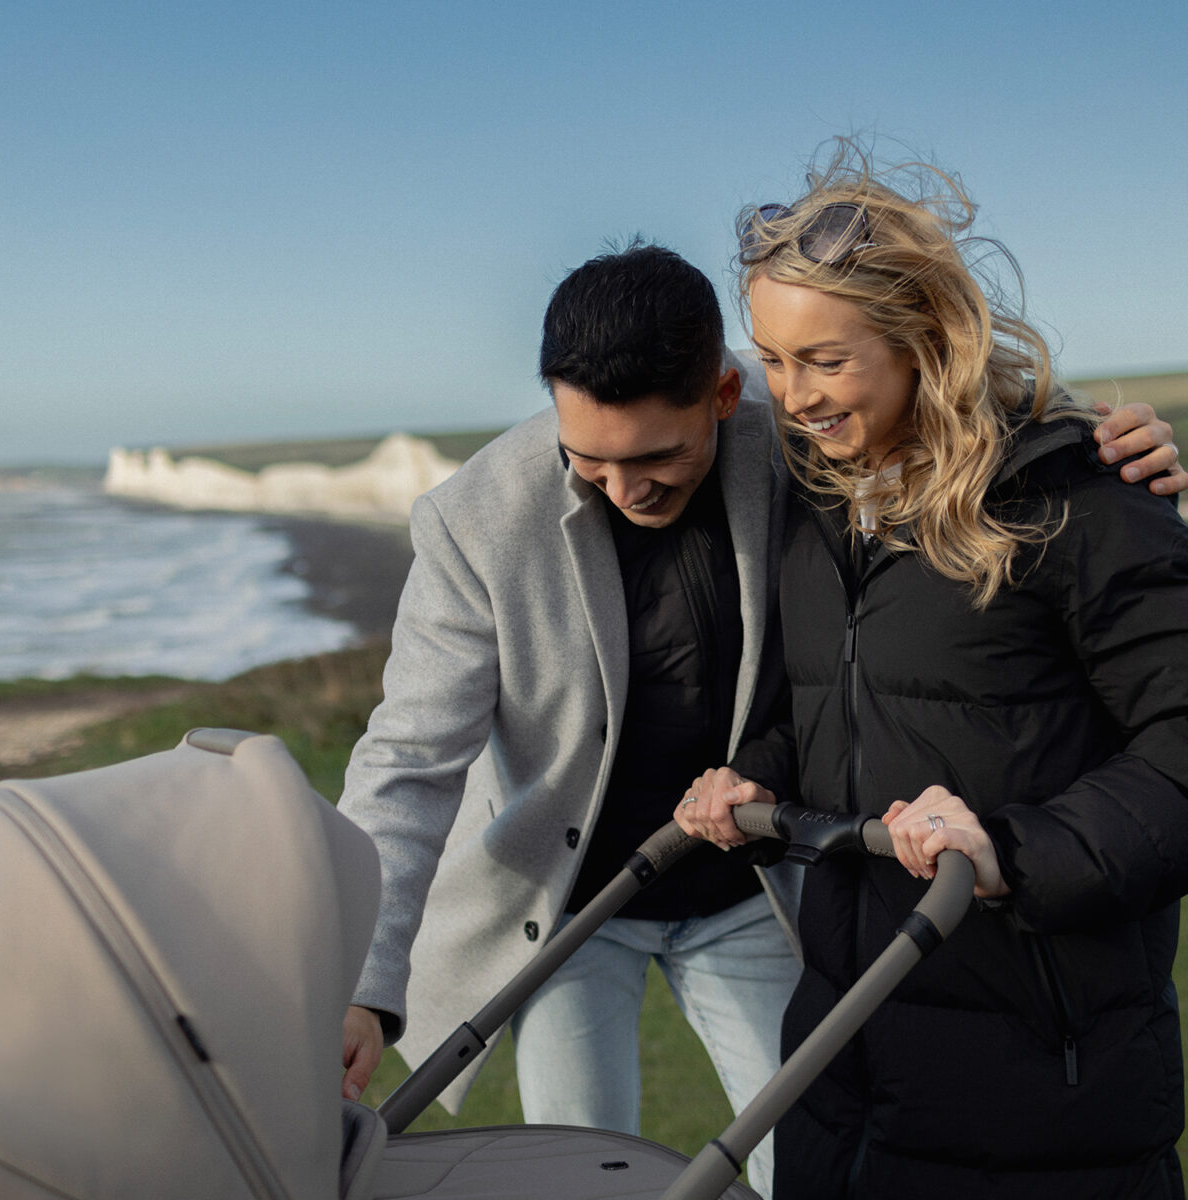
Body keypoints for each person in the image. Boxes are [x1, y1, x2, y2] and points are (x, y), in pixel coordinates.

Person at [339, 243, 1181, 1197]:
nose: (625, 490)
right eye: (590, 463)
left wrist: (1108, 446)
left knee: (809, 1153)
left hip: (753, 881)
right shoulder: (471, 520)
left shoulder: (803, 446)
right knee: (573, 1166)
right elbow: (407, 759)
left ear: (727, 397)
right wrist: (359, 982)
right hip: (568, 895)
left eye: (658, 457)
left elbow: (956, 438)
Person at [676, 142, 1188, 1199]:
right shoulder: (823, 508)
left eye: (825, 359)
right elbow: (846, 713)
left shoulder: (1085, 499)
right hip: (843, 1058)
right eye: (773, 359)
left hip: (1042, 1088)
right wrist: (758, 771)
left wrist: (1009, 851)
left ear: (925, 337)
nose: (796, 397)